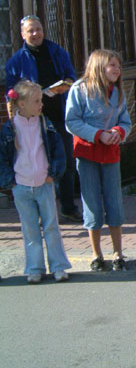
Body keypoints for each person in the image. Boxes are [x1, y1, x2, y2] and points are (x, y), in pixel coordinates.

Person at [5, 15, 80, 222]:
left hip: (59, 116)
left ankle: (68, 207)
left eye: (38, 29)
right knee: (37, 162)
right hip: (33, 121)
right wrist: (13, 119)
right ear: (23, 34)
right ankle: (41, 212)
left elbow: (70, 77)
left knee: (65, 161)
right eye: (31, 31)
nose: (35, 34)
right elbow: (10, 93)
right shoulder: (16, 61)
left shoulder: (57, 52)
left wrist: (59, 88)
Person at [65, 49, 132, 271]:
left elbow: (125, 122)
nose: (117, 70)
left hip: (111, 154)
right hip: (87, 154)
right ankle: (96, 254)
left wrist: (117, 132)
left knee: (114, 202)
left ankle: (118, 253)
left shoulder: (118, 93)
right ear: (98, 67)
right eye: (112, 65)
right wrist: (97, 134)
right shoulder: (80, 90)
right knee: (91, 203)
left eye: (118, 66)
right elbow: (71, 121)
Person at [0, 80, 71, 283]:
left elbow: (58, 151)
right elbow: (3, 157)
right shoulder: (10, 128)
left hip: (44, 184)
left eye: (41, 100)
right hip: (21, 187)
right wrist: (10, 181)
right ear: (21, 104)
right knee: (30, 228)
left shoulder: (44, 124)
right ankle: (35, 268)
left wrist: (53, 174)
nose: (41, 104)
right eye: (37, 101)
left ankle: (58, 266)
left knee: (51, 226)